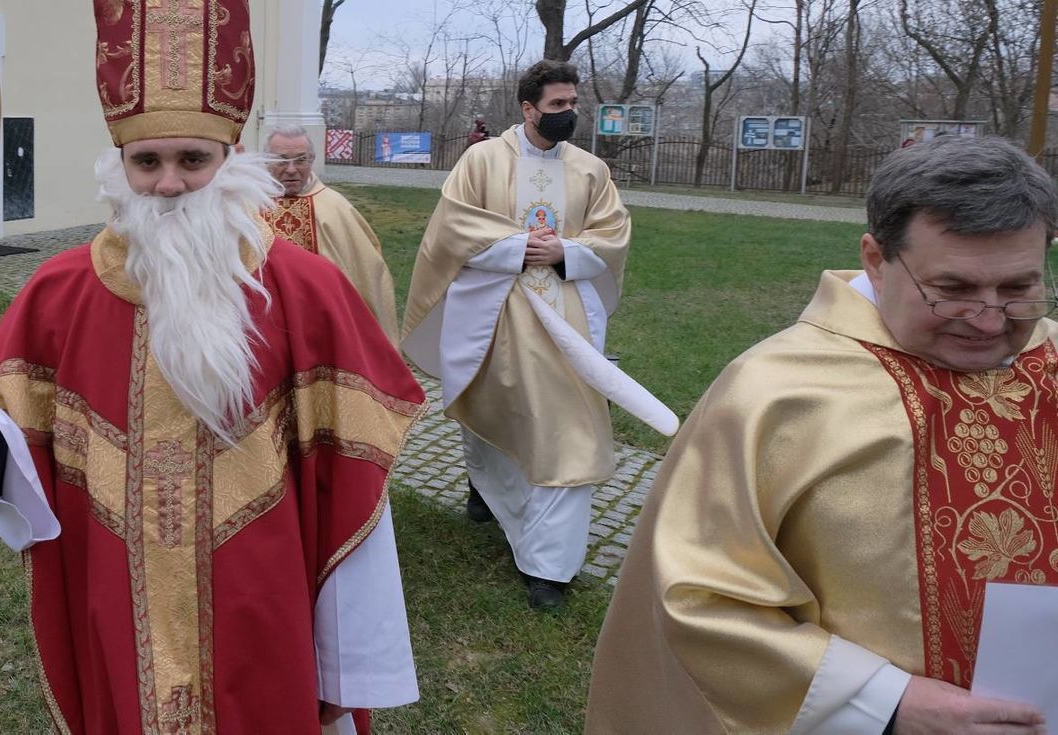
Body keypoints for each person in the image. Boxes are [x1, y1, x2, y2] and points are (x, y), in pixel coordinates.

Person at [0, 0, 424, 734]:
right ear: (120, 160)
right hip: (119, 617)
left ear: (231, 151)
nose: (172, 184)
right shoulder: (59, 293)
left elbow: (354, 493)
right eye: (149, 162)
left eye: (194, 158)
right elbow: (18, 459)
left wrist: (349, 673)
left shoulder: (301, 288)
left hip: (265, 628)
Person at [587, 135, 1055, 734]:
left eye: (1018, 288)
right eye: (954, 290)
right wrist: (883, 703)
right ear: (876, 260)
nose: (991, 318)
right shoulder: (774, 395)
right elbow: (698, 597)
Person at [401, 59, 632, 610]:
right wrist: (514, 246)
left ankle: (548, 567)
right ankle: (485, 488)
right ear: (528, 109)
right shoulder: (483, 159)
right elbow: (452, 225)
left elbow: (614, 231)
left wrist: (566, 251)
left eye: (573, 104)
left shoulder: (590, 170)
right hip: (495, 311)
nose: (568, 114)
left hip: (565, 316)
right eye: (557, 106)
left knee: (569, 431)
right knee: (493, 403)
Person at [262, 125, 399, 341]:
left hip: (321, 324)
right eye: (281, 160)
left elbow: (365, 269)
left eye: (300, 160)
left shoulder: (335, 207)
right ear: (267, 162)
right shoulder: (250, 206)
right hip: (265, 322)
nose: (291, 169)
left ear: (312, 160)